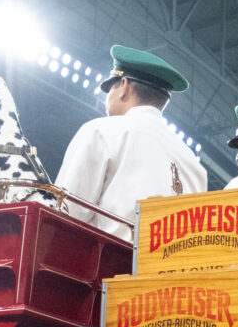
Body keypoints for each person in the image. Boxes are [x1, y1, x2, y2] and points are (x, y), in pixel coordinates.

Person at [55, 45, 207, 239]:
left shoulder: (102, 131)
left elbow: (66, 212)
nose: (107, 96)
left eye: (110, 87)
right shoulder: (194, 163)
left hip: (109, 264)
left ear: (124, 86)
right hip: (173, 266)